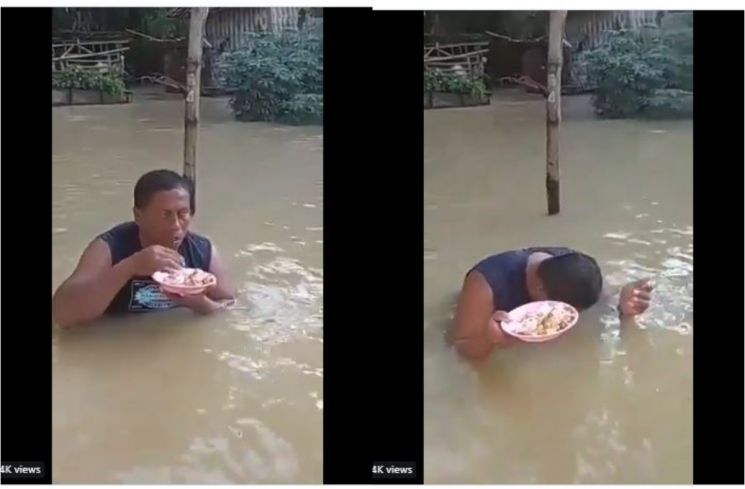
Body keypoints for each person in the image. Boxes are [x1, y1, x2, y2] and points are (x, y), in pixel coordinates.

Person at [52, 169, 235, 328]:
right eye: (166, 215)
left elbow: (233, 309)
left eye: (183, 214)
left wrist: (200, 304)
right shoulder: (110, 247)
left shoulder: (202, 251)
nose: (176, 225)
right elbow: (61, 315)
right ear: (138, 216)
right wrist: (131, 266)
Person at [451, 247, 654, 359]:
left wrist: (623, 306)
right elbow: (461, 345)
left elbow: (600, 302)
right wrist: (490, 339)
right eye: (560, 311)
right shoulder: (485, 284)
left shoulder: (576, 271)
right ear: (539, 290)